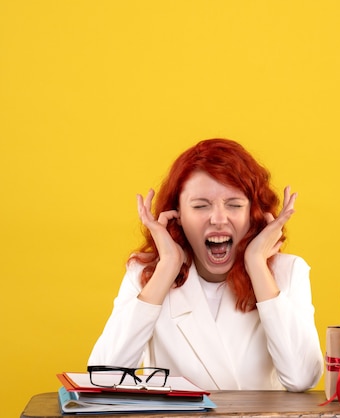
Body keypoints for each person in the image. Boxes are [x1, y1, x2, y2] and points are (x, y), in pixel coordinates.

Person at [88, 138, 324, 392]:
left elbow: (302, 378)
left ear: (253, 213)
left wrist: (257, 264)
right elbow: (104, 378)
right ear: (178, 214)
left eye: (234, 205)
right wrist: (167, 266)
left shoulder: (287, 272)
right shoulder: (146, 275)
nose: (219, 219)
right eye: (201, 206)